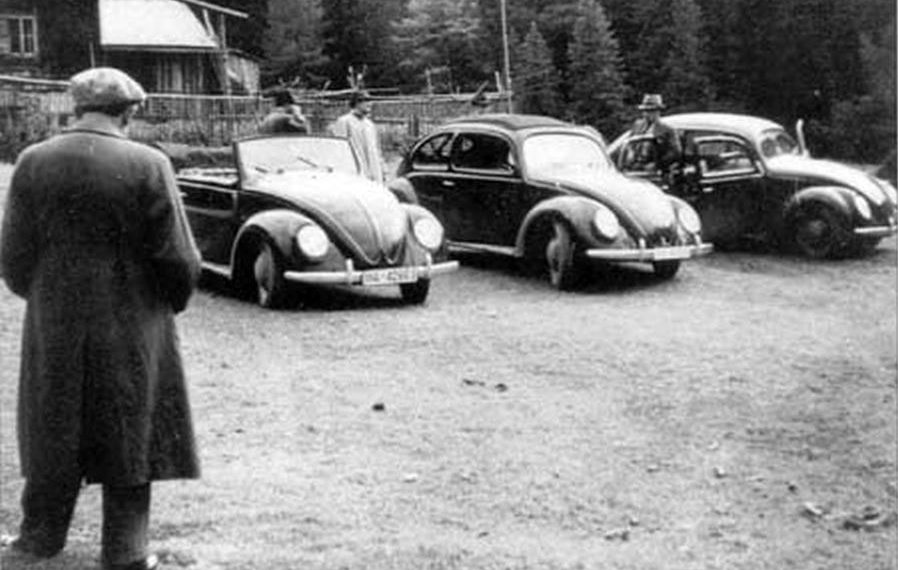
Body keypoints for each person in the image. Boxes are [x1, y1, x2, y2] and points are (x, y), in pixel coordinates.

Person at [0, 67, 202, 570]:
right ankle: (126, 551)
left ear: (76, 108)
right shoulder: (148, 163)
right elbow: (179, 256)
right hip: (133, 321)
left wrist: (44, 296)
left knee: (54, 422)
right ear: (128, 111)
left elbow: (13, 254)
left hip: (55, 319)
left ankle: (38, 538)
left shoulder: (32, 161)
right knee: (132, 427)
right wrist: (165, 305)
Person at [329, 90, 385, 182]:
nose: (369, 104)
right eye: (365, 101)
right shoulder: (344, 121)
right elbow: (339, 149)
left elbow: (377, 150)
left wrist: (382, 169)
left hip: (373, 172)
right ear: (356, 103)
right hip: (355, 172)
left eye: (370, 101)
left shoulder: (370, 125)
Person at [630, 93, 683, 180]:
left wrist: (657, 164)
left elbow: (675, 152)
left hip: (656, 172)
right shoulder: (637, 126)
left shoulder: (667, 130)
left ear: (658, 112)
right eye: (646, 111)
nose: (647, 114)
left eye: (652, 111)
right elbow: (630, 145)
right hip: (635, 169)